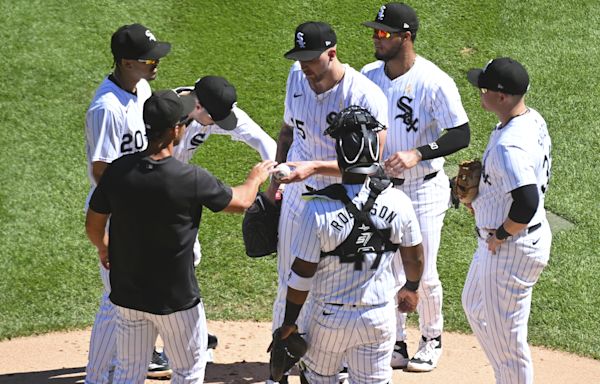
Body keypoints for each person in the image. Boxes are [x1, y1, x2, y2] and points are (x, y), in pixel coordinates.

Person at [85, 89, 275, 383]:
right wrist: (255, 179)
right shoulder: (190, 179)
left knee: (127, 372)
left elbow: (94, 224)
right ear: (176, 129)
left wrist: (103, 247)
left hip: (129, 297)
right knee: (188, 370)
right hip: (176, 301)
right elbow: (241, 202)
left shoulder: (117, 172)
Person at [269, 21, 389, 384]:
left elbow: (372, 162)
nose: (304, 65)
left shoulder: (365, 95)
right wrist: (277, 175)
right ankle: (279, 369)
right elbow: (289, 129)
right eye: (299, 57)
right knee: (289, 284)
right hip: (297, 196)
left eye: (311, 58)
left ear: (332, 53)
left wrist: (314, 168)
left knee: (328, 287)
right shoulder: (296, 77)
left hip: (344, 202)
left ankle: (319, 366)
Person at [277, 106, 424, 383]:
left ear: (340, 157)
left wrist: (289, 322)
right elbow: (414, 257)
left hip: (328, 318)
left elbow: (302, 275)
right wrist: (412, 288)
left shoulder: (317, 208)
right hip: (378, 316)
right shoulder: (400, 202)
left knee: (319, 378)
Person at [361, 2, 470, 371]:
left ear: (405, 37)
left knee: (422, 273)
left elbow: (460, 133)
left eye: (382, 33)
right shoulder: (368, 75)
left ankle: (432, 336)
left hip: (423, 189)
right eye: (375, 32)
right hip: (381, 190)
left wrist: (418, 153)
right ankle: (396, 341)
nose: (375, 39)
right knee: (385, 269)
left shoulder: (434, 80)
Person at [84, 23, 173, 383]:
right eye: (147, 58)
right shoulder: (106, 107)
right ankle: (99, 375)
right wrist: (132, 204)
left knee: (132, 295)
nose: (155, 63)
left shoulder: (142, 88)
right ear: (125, 62)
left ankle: (141, 354)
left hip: (138, 206)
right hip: (120, 211)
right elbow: (101, 170)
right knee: (116, 299)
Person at [172, 75, 277, 362]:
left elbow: (263, 142)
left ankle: (191, 335)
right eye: (215, 117)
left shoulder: (214, 110)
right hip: (146, 192)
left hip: (174, 187)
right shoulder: (163, 114)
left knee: (187, 259)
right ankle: (178, 343)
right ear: (197, 106)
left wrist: (280, 181)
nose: (220, 122)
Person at [462, 57, 552, 384]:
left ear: (501, 96)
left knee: (507, 345)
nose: (479, 92)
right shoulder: (530, 120)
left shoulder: (509, 146)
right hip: (512, 242)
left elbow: (526, 202)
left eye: (483, 88)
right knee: (474, 304)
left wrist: (500, 233)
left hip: (510, 248)